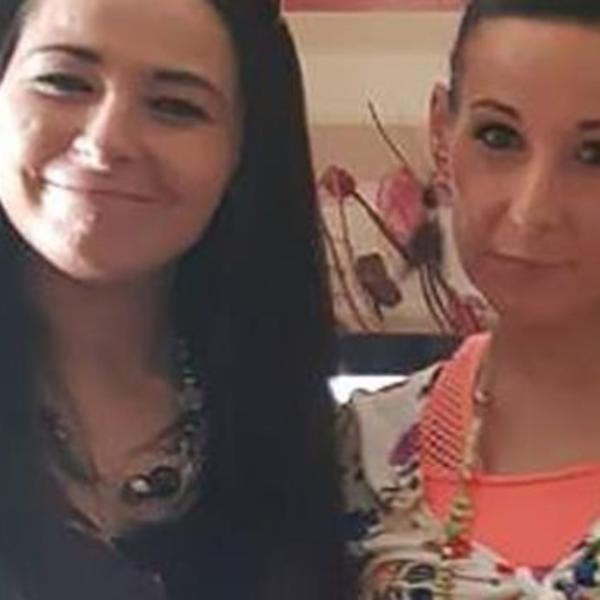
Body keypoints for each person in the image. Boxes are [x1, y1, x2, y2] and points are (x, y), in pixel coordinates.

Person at [0, 0, 346, 599]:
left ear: (243, 152)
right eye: (64, 82)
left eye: (175, 106)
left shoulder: (304, 435)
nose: (106, 141)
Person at [339, 0, 600, 597]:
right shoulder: (356, 456)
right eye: (499, 137)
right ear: (441, 133)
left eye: (594, 155)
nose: (531, 211)